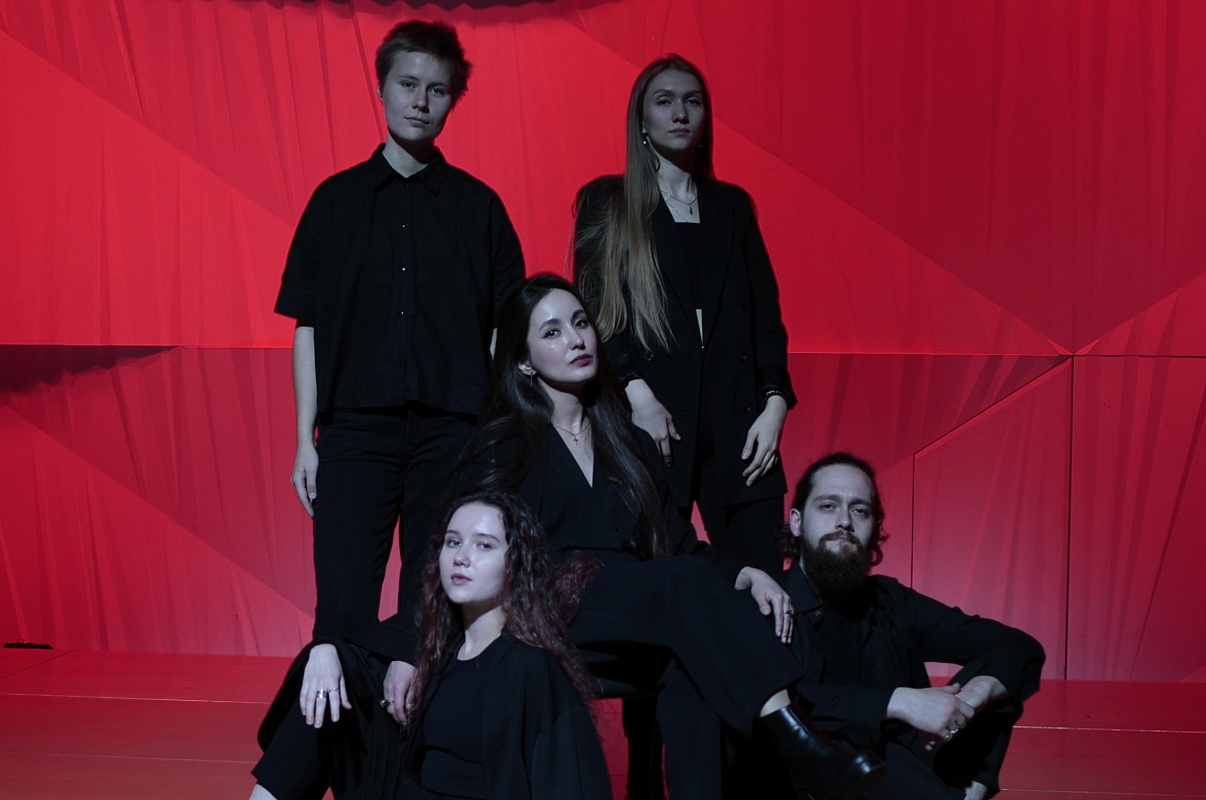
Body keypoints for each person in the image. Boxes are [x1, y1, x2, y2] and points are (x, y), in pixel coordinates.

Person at [417, 274, 881, 800]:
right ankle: (799, 744)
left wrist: (744, 572)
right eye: (552, 332)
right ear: (524, 361)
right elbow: (458, 545)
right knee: (683, 588)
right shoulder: (502, 446)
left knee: (695, 664)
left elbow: (677, 544)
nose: (576, 339)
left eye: (581, 323)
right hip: (547, 605)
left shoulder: (630, 442)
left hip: (632, 608)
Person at [274, 18, 526, 723]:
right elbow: (308, 325)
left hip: (452, 432)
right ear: (382, 88)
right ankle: (341, 757)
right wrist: (305, 439)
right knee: (341, 608)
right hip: (355, 430)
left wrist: (490, 431)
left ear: (454, 99)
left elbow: (505, 332)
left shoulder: (479, 207)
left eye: (437, 90)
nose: (421, 101)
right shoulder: (335, 201)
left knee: (432, 611)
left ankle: (421, 760)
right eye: (408, 84)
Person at [573, 54, 797, 578]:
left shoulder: (732, 207)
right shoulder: (608, 202)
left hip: (739, 422)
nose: (680, 113)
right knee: (656, 580)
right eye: (665, 101)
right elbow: (600, 315)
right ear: (641, 118)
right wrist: (636, 394)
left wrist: (775, 404)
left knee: (763, 584)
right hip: (652, 419)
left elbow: (765, 315)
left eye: (692, 101)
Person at [249, 491, 611, 800]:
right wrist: (325, 651)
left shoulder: (529, 666)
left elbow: (569, 782)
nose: (461, 557)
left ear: (517, 563)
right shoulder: (441, 652)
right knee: (329, 687)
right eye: (453, 542)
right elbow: (362, 662)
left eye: (484, 545)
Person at [776, 453, 1045, 800]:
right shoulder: (770, 601)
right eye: (828, 506)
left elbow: (1019, 646)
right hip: (820, 776)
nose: (845, 521)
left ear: (874, 527)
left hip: (909, 761)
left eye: (860, 510)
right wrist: (896, 701)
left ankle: (966, 791)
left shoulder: (891, 600)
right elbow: (786, 705)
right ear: (797, 522)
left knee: (998, 678)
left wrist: (971, 697)